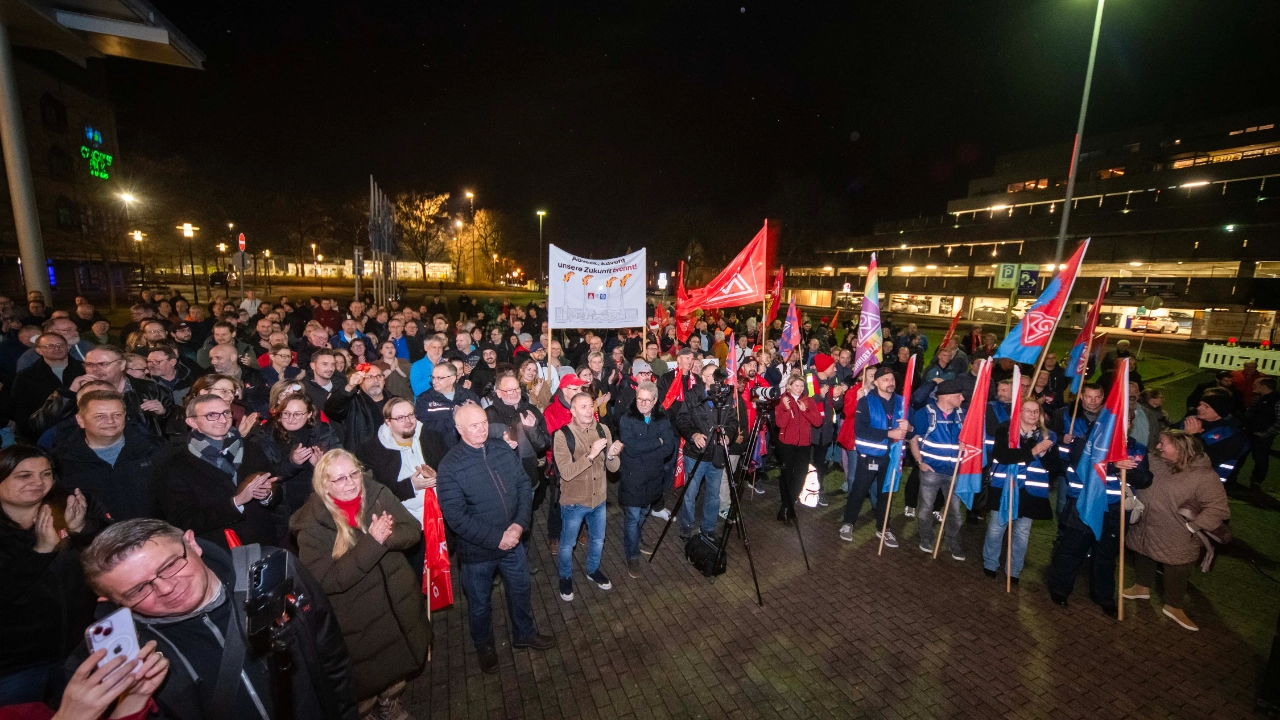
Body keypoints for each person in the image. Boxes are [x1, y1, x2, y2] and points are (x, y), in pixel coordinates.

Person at [76, 518, 358, 719]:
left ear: (192, 543)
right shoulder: (124, 655)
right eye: (138, 589)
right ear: (113, 601)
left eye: (170, 565)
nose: (165, 588)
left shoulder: (272, 568)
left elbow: (330, 652)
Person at [289, 449, 428, 720]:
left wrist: (387, 537)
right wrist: (372, 543)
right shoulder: (312, 526)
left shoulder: (376, 494)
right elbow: (326, 581)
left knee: (395, 666)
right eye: (339, 479)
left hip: (396, 606)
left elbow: (411, 529)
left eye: (354, 473)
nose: (351, 483)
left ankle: (390, 704)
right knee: (364, 682)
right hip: (356, 624)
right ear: (323, 485)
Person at [436, 404, 556, 674]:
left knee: (521, 589)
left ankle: (524, 633)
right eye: (473, 426)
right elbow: (455, 517)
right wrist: (496, 538)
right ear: (459, 430)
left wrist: (518, 525)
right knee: (479, 604)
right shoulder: (450, 467)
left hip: (513, 543)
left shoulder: (502, 448)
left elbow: (524, 486)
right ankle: (484, 645)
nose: (481, 429)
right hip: (477, 553)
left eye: (483, 423)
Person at [0, 446, 102, 706]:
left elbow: (106, 557)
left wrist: (82, 529)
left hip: (77, 652)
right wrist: (40, 552)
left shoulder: (63, 511)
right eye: (24, 475)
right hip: (15, 666)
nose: (38, 482)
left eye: (45, 474)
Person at [1047, 405, 1152, 615]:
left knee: (1106, 555)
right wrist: (1114, 465)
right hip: (1085, 505)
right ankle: (1060, 589)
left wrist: (1127, 471)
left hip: (1115, 509)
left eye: (1127, 421)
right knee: (1071, 550)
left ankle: (1103, 595)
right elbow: (1083, 465)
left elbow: (1145, 479)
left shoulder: (1137, 448)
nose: (1123, 426)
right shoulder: (1085, 443)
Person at [1124, 430, 1230, 631]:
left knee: (1177, 570)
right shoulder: (1154, 462)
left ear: (1180, 448)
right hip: (1145, 525)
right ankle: (1141, 587)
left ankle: (1174, 606)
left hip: (1177, 534)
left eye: (1163, 443)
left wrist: (1192, 526)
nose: (1157, 447)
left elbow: (1218, 509)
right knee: (1143, 553)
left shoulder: (1204, 476)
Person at [157, 394, 282, 549]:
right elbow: (184, 521)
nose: (222, 420)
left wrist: (267, 495)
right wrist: (236, 503)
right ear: (192, 421)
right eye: (211, 415)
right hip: (218, 552)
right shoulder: (176, 465)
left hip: (262, 542)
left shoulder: (251, 449)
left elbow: (276, 488)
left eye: (226, 413)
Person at [52, 389, 163, 522]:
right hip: (95, 539)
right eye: (100, 416)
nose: (110, 421)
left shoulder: (154, 449)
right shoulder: (61, 460)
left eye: (117, 414)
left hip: (152, 534)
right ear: (80, 420)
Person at [551, 393, 621, 601]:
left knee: (598, 539)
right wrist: (590, 455)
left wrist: (612, 455)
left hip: (598, 498)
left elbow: (613, 468)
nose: (589, 410)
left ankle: (593, 570)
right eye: (583, 407)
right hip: (574, 502)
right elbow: (566, 473)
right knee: (567, 544)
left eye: (591, 406)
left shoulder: (603, 429)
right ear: (572, 411)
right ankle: (565, 577)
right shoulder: (562, 435)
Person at [983, 399, 1061, 583]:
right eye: (1028, 410)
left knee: (1022, 532)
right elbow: (1002, 456)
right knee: (997, 527)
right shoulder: (1005, 431)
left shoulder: (1049, 436)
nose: (1033, 414)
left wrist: (1043, 455)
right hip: (1005, 487)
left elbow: (1056, 467)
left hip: (1031, 491)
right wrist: (1031, 452)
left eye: (1036, 411)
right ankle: (990, 563)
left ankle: (1014, 569)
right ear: (1019, 413)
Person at [242, 392, 341, 520]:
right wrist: (293, 463)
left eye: (297, 414)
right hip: (283, 505)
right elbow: (268, 475)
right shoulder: (266, 435)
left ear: (309, 414)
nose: (291, 418)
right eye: (286, 413)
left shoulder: (323, 431)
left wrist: (319, 465)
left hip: (318, 502)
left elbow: (340, 466)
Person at [840, 367, 907, 547]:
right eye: (885, 379)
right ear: (875, 382)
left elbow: (912, 429)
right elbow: (860, 430)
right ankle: (848, 523)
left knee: (886, 493)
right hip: (870, 455)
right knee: (860, 490)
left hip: (892, 457)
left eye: (892, 379)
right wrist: (888, 433)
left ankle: (884, 528)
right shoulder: (865, 401)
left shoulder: (902, 402)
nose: (890, 382)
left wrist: (909, 428)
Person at [617, 382, 677, 578]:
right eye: (639, 399)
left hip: (653, 476)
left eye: (647, 400)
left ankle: (637, 537)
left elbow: (669, 447)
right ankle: (632, 555)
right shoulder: (627, 418)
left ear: (655, 401)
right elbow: (632, 448)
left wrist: (649, 448)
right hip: (632, 477)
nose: (642, 403)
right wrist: (656, 442)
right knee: (633, 517)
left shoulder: (662, 418)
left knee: (643, 512)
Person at [903, 379, 967, 559]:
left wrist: (966, 446)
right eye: (958, 395)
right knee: (925, 509)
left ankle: (953, 543)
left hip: (955, 472)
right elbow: (913, 438)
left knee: (955, 512)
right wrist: (919, 462)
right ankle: (925, 538)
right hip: (931, 471)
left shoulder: (964, 414)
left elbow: (973, 439)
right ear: (946, 396)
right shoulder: (925, 413)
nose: (962, 398)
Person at [674, 364, 737, 540]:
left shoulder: (726, 395)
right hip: (696, 454)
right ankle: (687, 525)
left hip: (717, 454)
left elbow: (732, 421)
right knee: (690, 494)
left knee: (713, 495)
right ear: (703, 377)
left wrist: (728, 436)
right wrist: (693, 434)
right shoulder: (693, 395)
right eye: (712, 375)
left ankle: (708, 527)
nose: (716, 379)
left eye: (718, 375)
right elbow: (682, 419)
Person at [11, 333, 86, 441]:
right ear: (38, 350)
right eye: (49, 346)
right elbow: (20, 410)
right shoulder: (26, 376)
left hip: (80, 431)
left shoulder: (84, 369)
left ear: (68, 347)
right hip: (44, 433)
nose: (56, 348)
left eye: (60, 344)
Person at [775, 373, 823, 525]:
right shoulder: (783, 400)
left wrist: (805, 411)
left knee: (801, 475)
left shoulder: (808, 401)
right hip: (787, 444)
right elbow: (780, 424)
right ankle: (788, 508)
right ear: (789, 386)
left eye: (801, 386)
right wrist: (787, 409)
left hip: (804, 445)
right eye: (796, 385)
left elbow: (817, 422)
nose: (799, 388)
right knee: (786, 475)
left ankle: (786, 507)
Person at [1179, 391, 1249, 483]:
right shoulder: (1190, 421)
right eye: (1200, 404)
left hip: (1205, 484)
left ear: (1219, 410)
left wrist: (1194, 436)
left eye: (1206, 406)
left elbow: (1213, 460)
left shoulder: (1233, 435)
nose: (1199, 408)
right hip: (1178, 477)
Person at [413, 361, 480, 447]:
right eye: (433, 377)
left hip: (468, 447)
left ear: (452, 379)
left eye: (439, 378)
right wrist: (452, 420)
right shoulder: (424, 400)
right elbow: (422, 428)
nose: (434, 381)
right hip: (438, 449)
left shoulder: (468, 395)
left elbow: (480, 422)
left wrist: (475, 410)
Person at [324, 366, 390, 450]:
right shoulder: (353, 403)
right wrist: (349, 387)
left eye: (379, 376)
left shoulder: (395, 402)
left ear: (384, 380)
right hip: (362, 457)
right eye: (369, 377)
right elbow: (332, 410)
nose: (375, 380)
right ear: (360, 382)